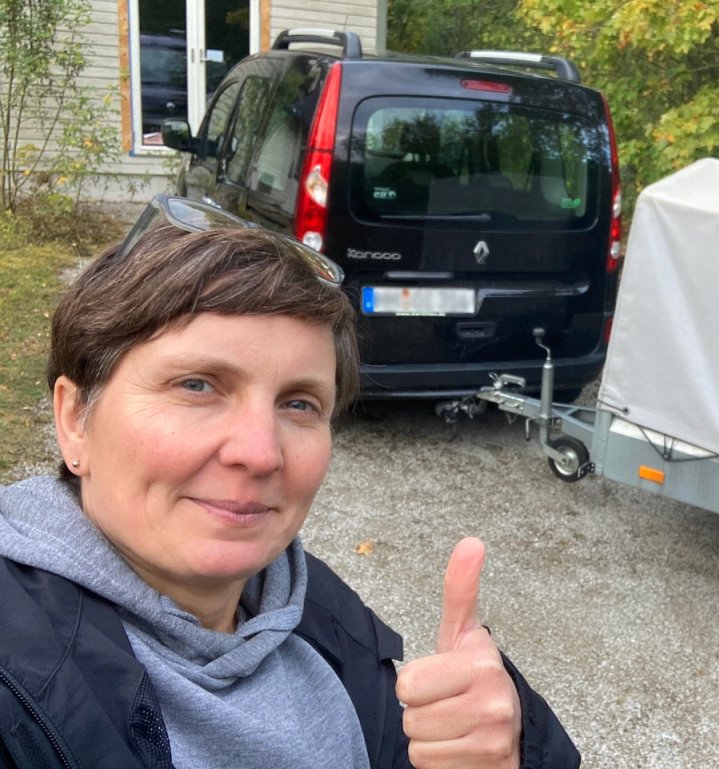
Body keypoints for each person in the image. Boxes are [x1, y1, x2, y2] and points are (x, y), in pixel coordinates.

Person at [0, 198, 580, 769]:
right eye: (198, 385)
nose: (259, 453)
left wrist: (509, 751)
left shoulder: (318, 608)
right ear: (74, 419)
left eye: (299, 403)